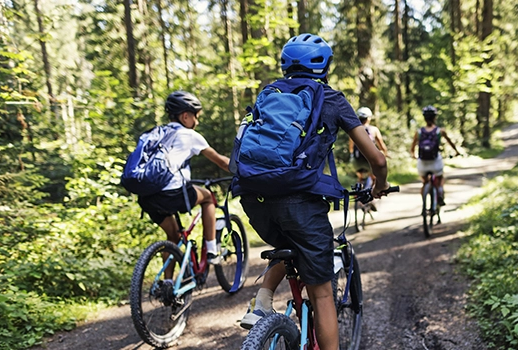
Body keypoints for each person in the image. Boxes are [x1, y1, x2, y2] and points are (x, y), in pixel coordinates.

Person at [237, 33, 389, 350]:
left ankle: (262, 302)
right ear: (324, 66)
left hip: (254, 200)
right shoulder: (330, 98)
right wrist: (380, 185)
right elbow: (376, 158)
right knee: (321, 293)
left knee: (288, 241)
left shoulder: (269, 92)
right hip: (299, 203)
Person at [137, 91, 231, 265]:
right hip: (173, 193)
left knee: (172, 238)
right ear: (185, 116)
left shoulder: (155, 133)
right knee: (208, 198)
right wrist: (247, 171)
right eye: (196, 116)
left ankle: (166, 283)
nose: (197, 122)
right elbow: (223, 162)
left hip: (147, 196)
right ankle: (211, 251)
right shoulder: (189, 135)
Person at [410, 105, 461, 206]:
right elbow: (450, 143)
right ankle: (440, 194)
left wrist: (413, 155)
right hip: (435, 161)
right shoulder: (440, 131)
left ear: (424, 118)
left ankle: (424, 202)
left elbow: (412, 148)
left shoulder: (419, 132)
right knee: (440, 179)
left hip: (422, 162)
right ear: (435, 117)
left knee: (424, 182)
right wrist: (456, 152)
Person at [348, 106, 389, 189]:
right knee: (374, 177)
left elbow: (351, 148)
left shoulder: (354, 130)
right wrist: (385, 153)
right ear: (369, 118)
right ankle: (373, 194)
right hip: (369, 160)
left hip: (357, 162)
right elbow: (381, 145)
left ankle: (358, 192)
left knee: (360, 177)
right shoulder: (374, 129)